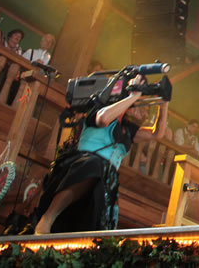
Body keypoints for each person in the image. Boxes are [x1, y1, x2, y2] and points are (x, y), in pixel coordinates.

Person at [32, 77, 169, 233]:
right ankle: (48, 218)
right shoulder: (98, 109)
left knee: (94, 218)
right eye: (136, 105)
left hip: (106, 177)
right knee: (94, 166)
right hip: (83, 165)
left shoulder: (128, 129)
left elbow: (157, 134)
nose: (140, 110)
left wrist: (164, 103)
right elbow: (103, 119)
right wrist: (132, 96)